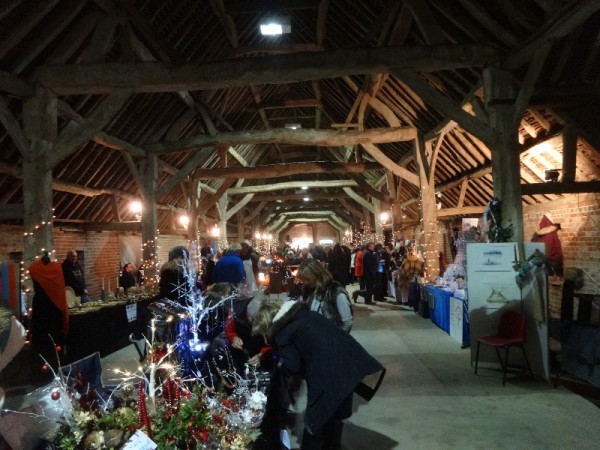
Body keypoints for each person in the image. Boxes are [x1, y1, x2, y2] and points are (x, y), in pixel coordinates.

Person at [252, 300, 385, 450]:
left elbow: (292, 367)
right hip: (348, 364)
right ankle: (333, 446)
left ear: (267, 325)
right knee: (335, 414)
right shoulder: (305, 315)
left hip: (327, 373)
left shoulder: (283, 331)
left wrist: (280, 363)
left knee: (314, 422)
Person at [298, 258, 353, 332]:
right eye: (303, 279)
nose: (305, 282)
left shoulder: (335, 292)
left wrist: (335, 339)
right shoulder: (308, 290)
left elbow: (347, 322)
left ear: (316, 274)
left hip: (331, 339)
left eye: (307, 279)